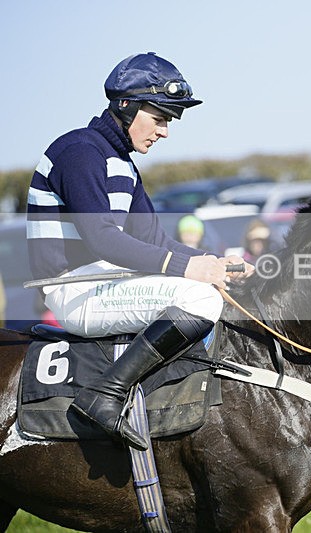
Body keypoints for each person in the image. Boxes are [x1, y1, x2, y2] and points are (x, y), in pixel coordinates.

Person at [26, 52, 253, 451]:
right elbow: (102, 239)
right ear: (126, 105)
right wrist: (191, 271)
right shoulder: (80, 152)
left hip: (101, 283)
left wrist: (214, 264)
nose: (164, 131)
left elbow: (156, 242)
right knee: (198, 298)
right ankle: (106, 393)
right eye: (161, 118)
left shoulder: (123, 164)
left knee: (210, 286)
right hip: (74, 290)